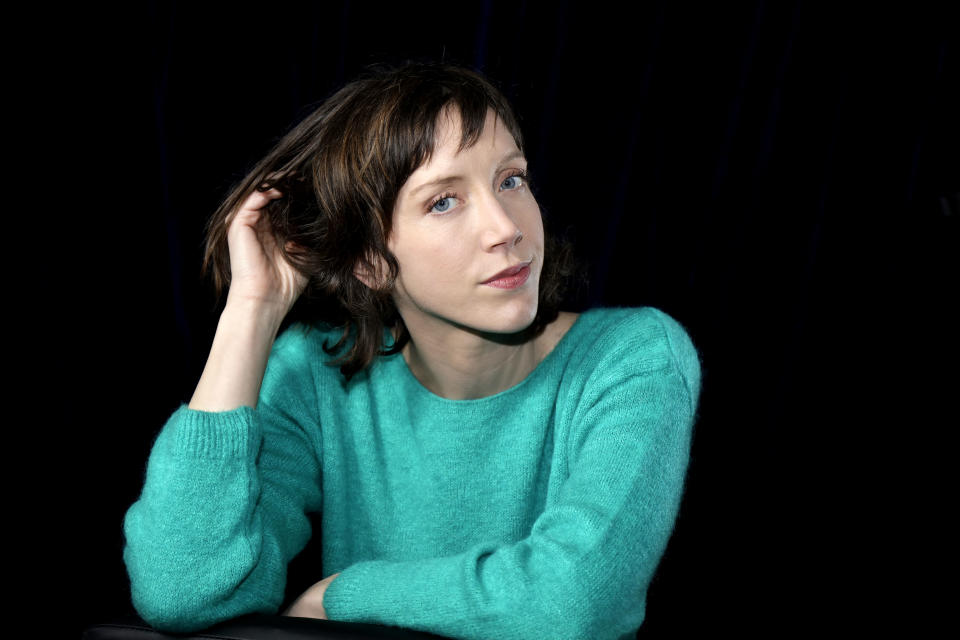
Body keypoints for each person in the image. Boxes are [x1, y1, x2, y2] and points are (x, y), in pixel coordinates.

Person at [122, 60, 703, 640]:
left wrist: (340, 595)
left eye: (511, 179)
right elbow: (184, 588)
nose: (506, 227)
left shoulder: (631, 358)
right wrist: (252, 308)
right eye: (443, 202)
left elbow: (572, 601)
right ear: (369, 260)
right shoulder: (315, 373)